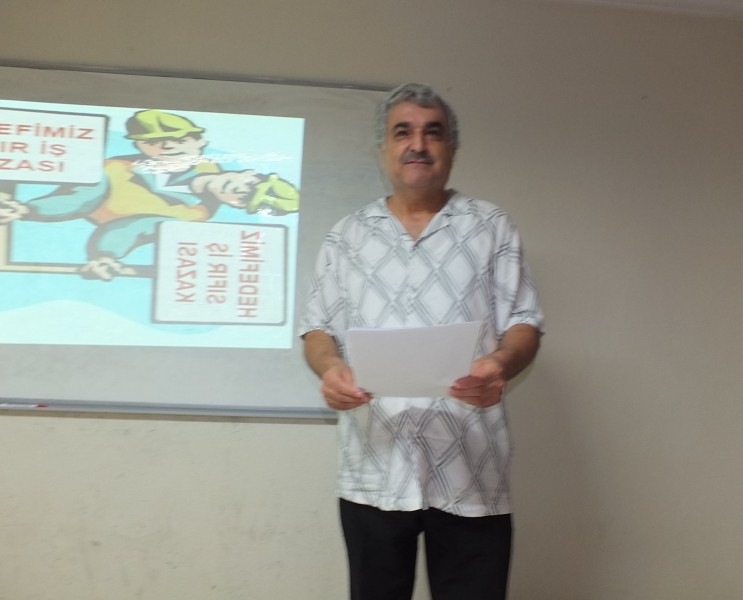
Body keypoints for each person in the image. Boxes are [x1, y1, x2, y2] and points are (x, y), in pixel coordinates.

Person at [299, 83, 544, 600]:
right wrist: (330, 368)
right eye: (403, 132)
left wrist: (500, 363)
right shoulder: (347, 236)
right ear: (383, 149)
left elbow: (524, 322)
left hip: (471, 467)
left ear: (451, 147)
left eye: (433, 133)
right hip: (373, 467)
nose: (418, 144)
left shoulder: (491, 227)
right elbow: (318, 329)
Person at [0, 109, 298, 280]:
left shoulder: (193, 216)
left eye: (245, 199)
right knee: (90, 189)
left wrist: (106, 257)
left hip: (113, 222)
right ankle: (18, 210)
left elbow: (136, 228)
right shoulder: (129, 165)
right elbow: (83, 192)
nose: (239, 191)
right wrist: (29, 209)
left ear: (236, 206)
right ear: (248, 172)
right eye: (249, 185)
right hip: (86, 191)